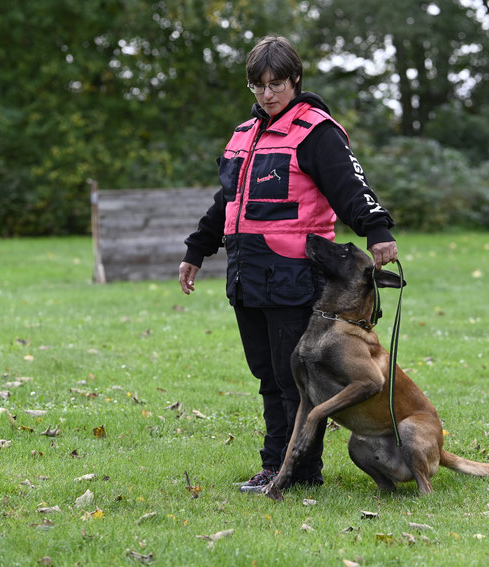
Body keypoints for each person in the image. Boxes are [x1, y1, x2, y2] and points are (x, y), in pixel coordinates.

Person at [178, 35, 398, 493]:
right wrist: (197, 250)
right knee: (265, 374)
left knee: (290, 379)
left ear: (295, 80)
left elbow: (350, 187)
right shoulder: (244, 135)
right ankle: (277, 465)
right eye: (258, 86)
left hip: (295, 274)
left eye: (277, 83)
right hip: (247, 273)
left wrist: (376, 229)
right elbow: (226, 202)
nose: (268, 94)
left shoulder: (317, 131)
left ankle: (295, 471)